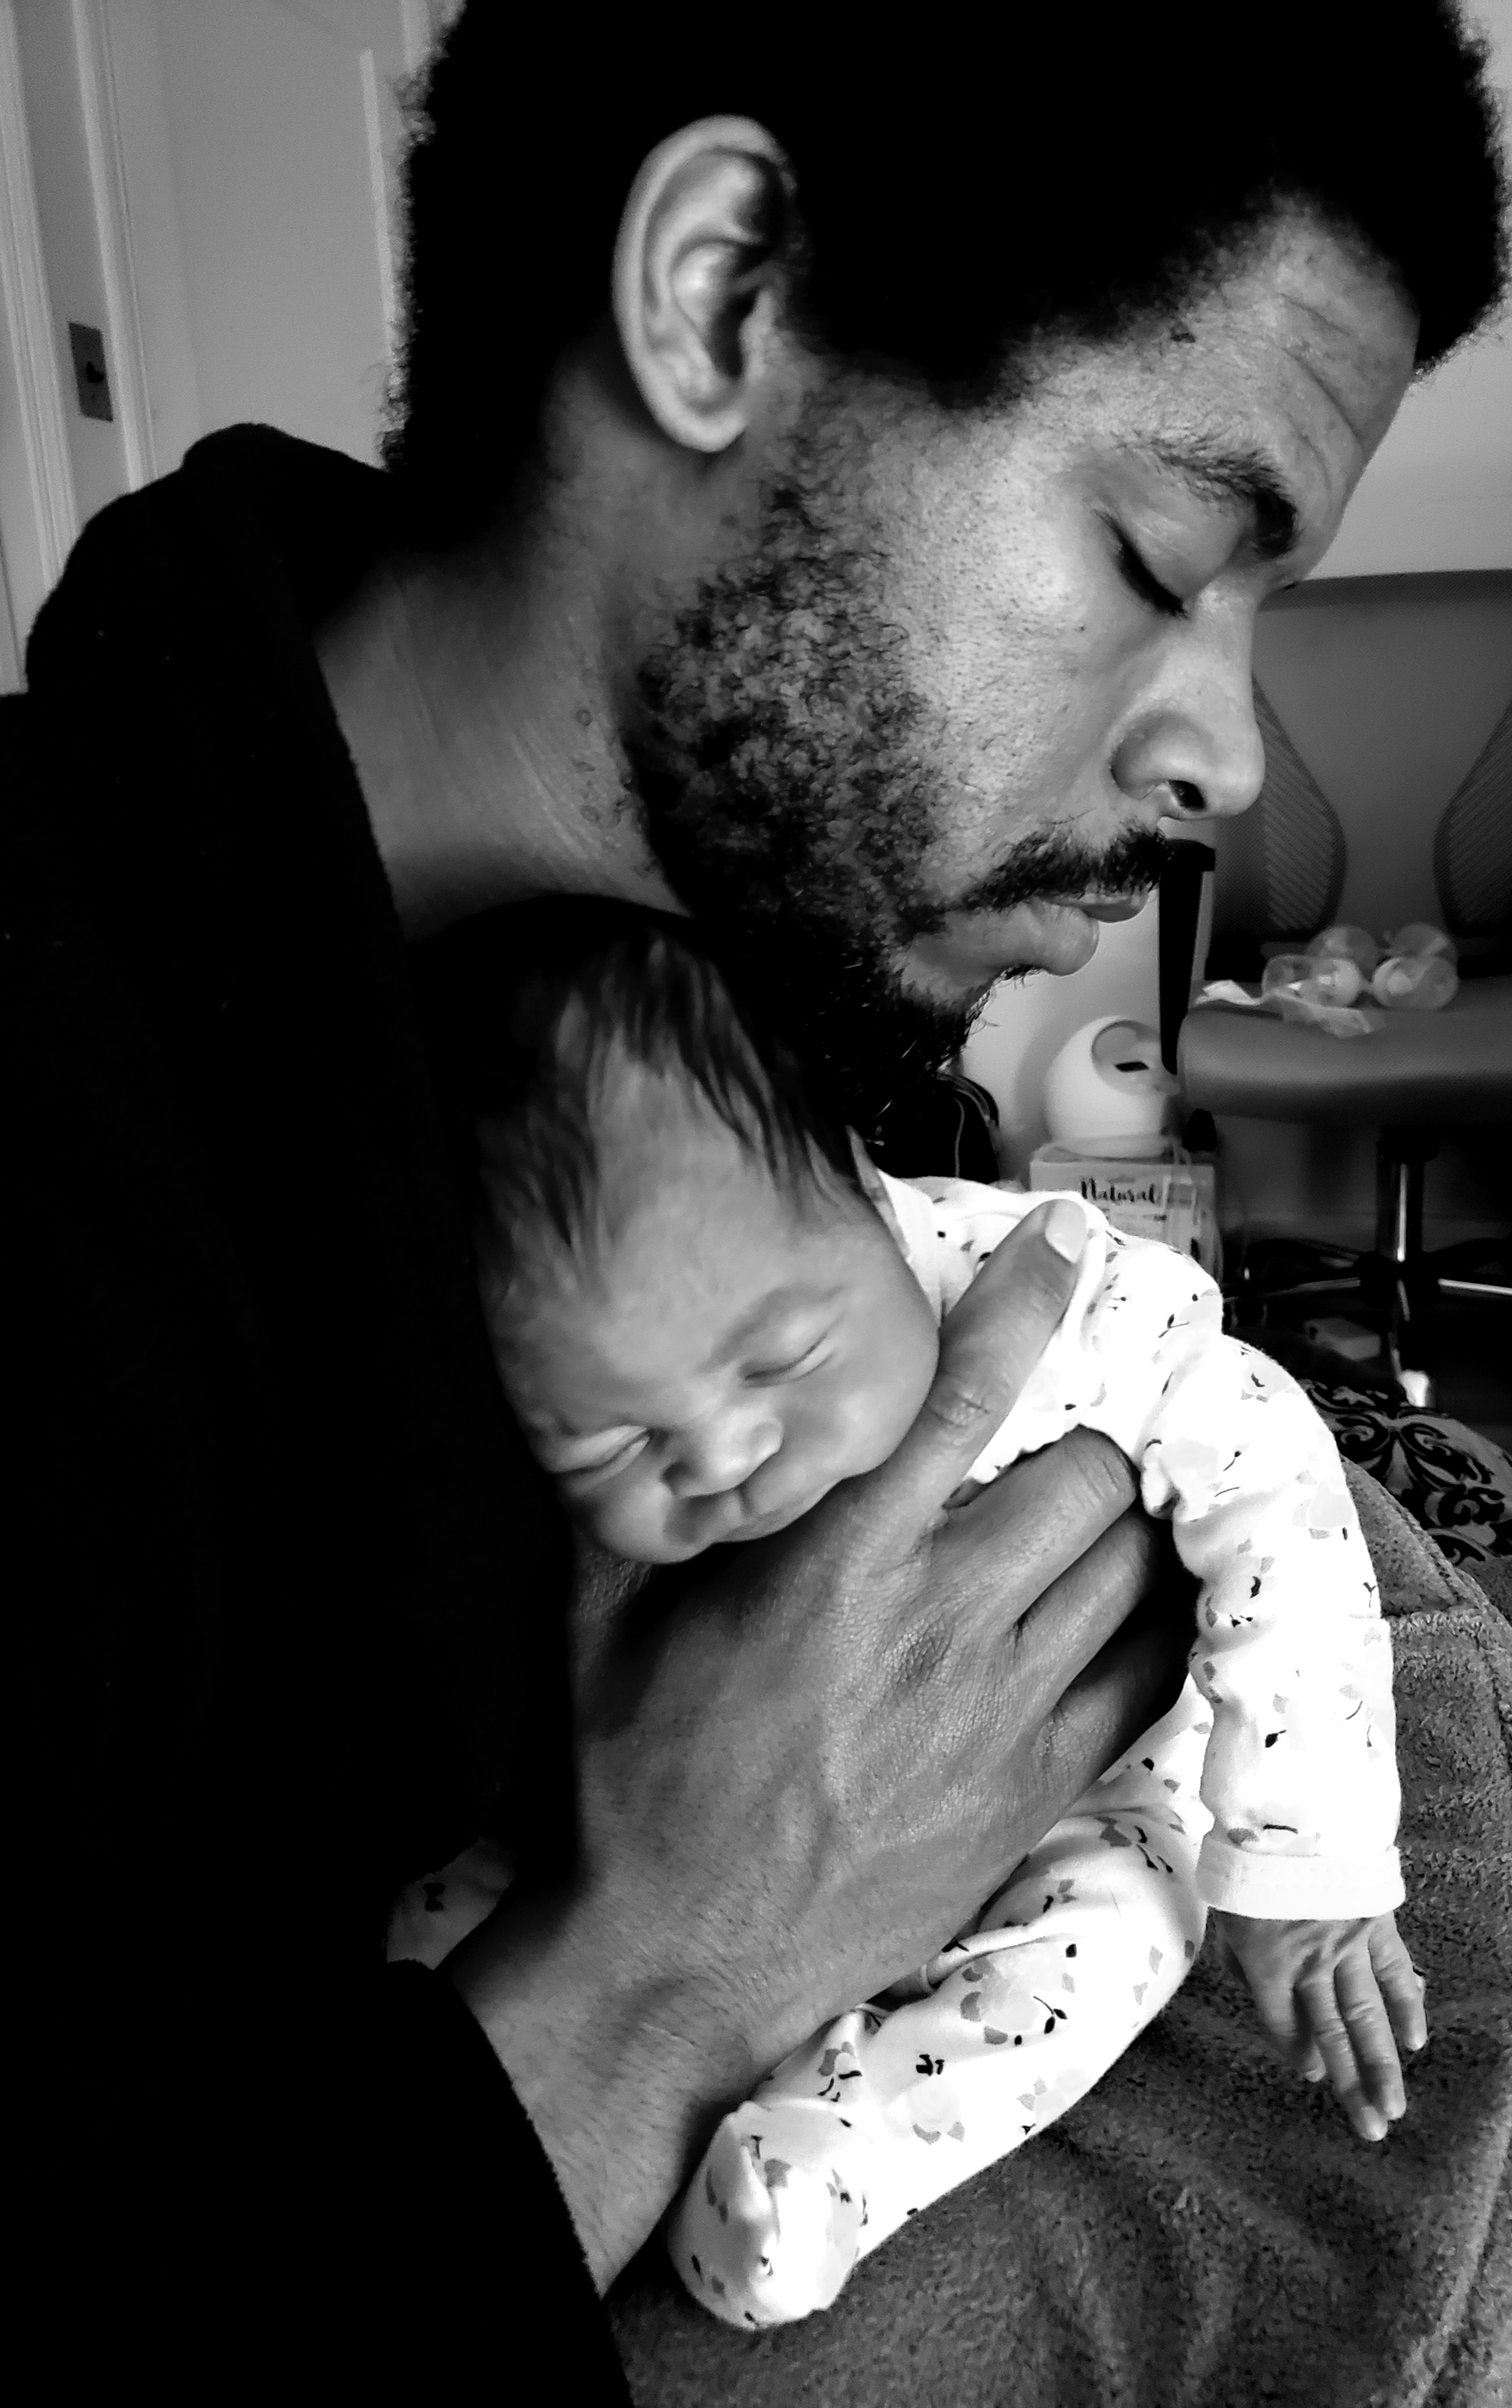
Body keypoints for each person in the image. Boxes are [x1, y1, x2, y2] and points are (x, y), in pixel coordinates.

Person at [5, 2, 1502, 2390]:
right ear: (721, 299)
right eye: (1154, 555)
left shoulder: (739, 970)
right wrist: (669, 1957)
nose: (1229, 752)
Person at [412, 896, 1427, 2327]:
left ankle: (828, 2162)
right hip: (650, 1798)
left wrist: (1305, 1852)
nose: (724, 1454)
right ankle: (490, 2129)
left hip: (1083, 1789)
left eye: (781, 1358)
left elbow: (1277, 1483)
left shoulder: (1057, 1292)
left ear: (857, 1185)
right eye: (614, 1444)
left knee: (1119, 1934)